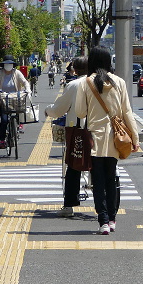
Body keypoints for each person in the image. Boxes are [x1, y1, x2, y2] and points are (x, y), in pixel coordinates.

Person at [71, 46, 140, 234]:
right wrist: (135, 137)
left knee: (98, 181)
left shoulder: (86, 83)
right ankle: (112, 219)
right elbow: (127, 112)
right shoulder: (119, 82)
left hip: (95, 139)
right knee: (112, 178)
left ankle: (102, 221)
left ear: (91, 62)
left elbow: (80, 112)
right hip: (116, 139)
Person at [46, 56, 90, 218]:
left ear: (74, 69)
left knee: (73, 166)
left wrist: (48, 111)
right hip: (99, 130)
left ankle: (69, 205)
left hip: (78, 129)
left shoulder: (74, 85)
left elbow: (59, 109)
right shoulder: (99, 83)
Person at [0, 57, 31, 150]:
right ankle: (2, 140)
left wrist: (28, 89)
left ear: (13, 65)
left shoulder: (17, 73)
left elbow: (25, 82)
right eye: (6, 64)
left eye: (10, 64)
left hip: (15, 98)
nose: (8, 66)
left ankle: (18, 126)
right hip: (3, 99)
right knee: (4, 120)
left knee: (19, 112)